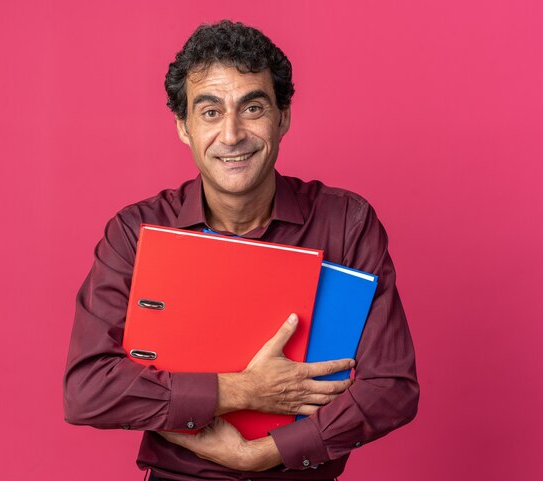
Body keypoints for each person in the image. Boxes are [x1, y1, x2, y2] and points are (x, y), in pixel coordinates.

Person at [63, 20, 419, 481]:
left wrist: (265, 453)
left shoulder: (347, 222)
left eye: (252, 107)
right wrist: (240, 390)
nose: (231, 135)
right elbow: (88, 390)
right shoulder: (135, 232)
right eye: (210, 112)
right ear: (183, 127)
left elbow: (391, 387)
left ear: (282, 116)